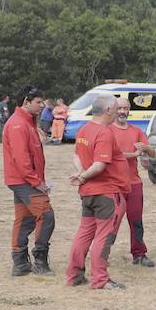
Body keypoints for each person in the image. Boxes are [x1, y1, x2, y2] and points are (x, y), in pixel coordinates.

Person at [65, 94, 127, 290]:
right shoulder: (104, 133)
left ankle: (74, 275)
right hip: (107, 193)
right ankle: (100, 279)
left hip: (89, 193)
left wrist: (81, 173)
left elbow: (77, 155)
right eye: (116, 108)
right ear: (108, 110)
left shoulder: (84, 129)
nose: (119, 111)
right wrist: (83, 176)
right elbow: (100, 164)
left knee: (84, 233)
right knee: (104, 236)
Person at [2, 86, 55, 276]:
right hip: (24, 180)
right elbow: (22, 160)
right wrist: (37, 182)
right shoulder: (18, 124)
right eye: (38, 102)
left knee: (25, 219)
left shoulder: (28, 122)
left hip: (22, 180)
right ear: (26, 101)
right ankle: (39, 261)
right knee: (47, 217)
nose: (42, 106)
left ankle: (20, 264)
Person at [111, 97, 156, 266]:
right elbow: (110, 156)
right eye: (119, 108)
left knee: (136, 220)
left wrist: (146, 148)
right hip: (114, 183)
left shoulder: (136, 131)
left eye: (125, 108)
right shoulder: (108, 130)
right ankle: (102, 253)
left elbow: (153, 154)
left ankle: (139, 254)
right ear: (114, 109)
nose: (122, 111)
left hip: (134, 183)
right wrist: (133, 154)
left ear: (129, 110)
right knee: (111, 221)